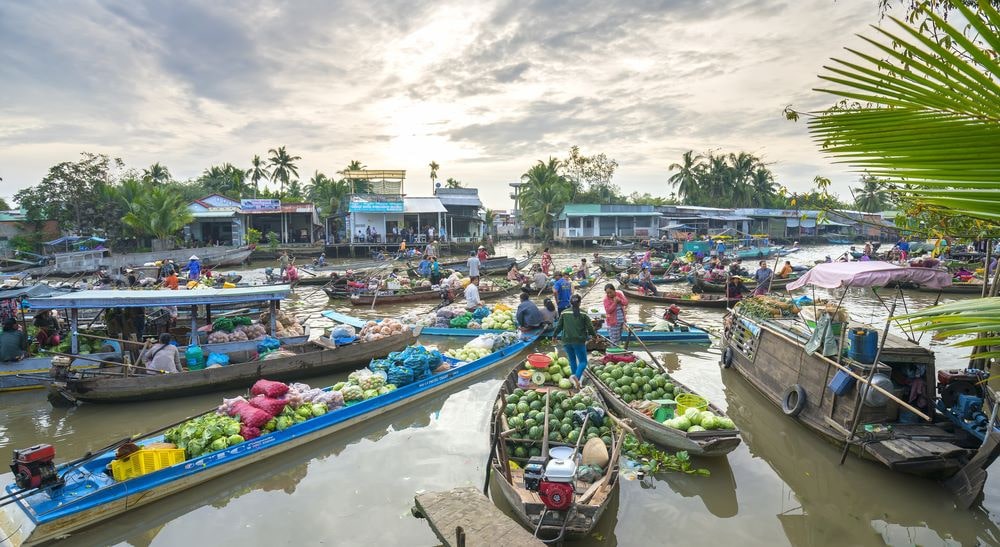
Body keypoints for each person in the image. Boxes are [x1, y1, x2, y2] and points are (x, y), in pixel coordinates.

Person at [553, 294, 597, 388]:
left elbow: (559, 326)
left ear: (570, 303)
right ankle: (576, 378)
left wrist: (554, 335)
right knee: (583, 362)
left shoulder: (564, 313)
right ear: (580, 303)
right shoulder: (584, 314)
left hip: (566, 340)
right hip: (579, 341)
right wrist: (594, 336)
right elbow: (590, 327)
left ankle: (574, 381)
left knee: (572, 360)